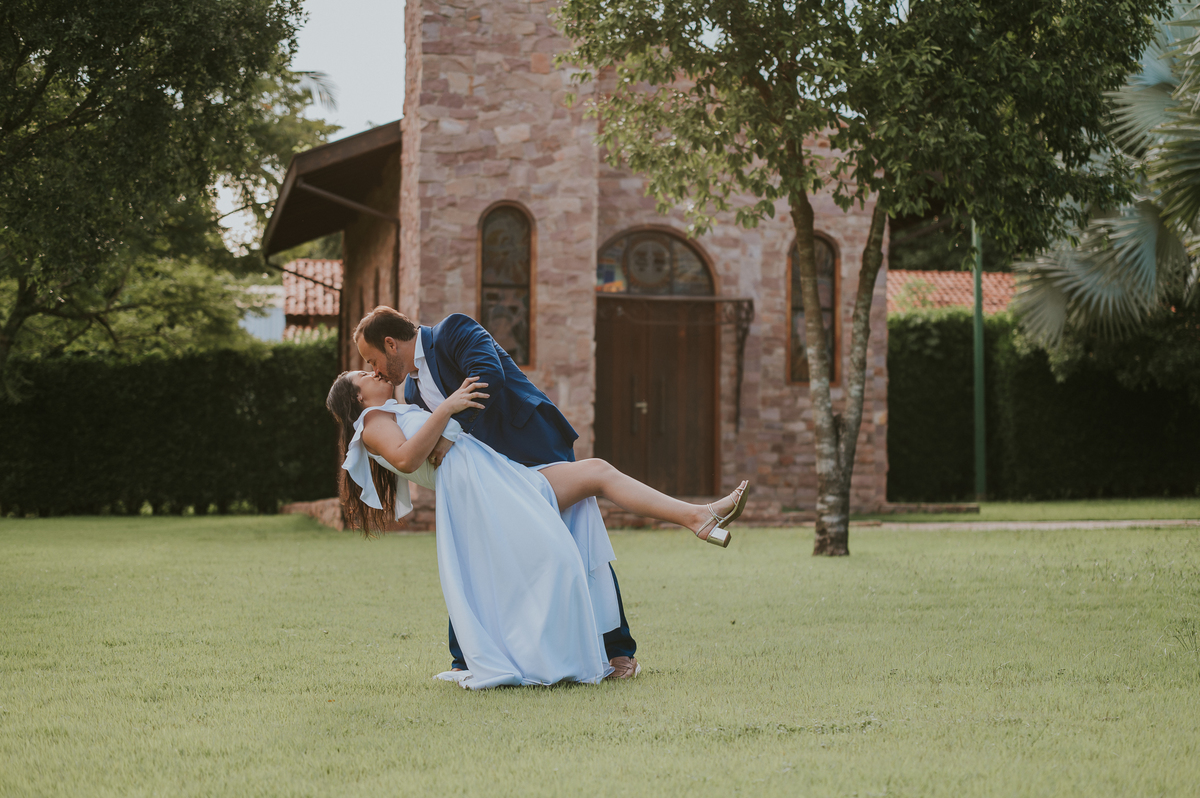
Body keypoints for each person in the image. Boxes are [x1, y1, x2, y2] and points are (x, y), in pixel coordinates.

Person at [325, 369, 749, 689]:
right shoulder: (373, 421)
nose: (374, 370)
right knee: (560, 554)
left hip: (499, 478)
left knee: (597, 472)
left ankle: (697, 516)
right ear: (358, 396)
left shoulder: (398, 408)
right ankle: (553, 657)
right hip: (484, 493)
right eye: (363, 372)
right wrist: (448, 408)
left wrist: (441, 416)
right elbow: (404, 460)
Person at [354, 307, 677, 679]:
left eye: (372, 359)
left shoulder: (452, 331)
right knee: (480, 557)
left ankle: (618, 652)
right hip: (497, 480)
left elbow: (488, 374)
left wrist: (448, 434)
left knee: (578, 541)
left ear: (391, 344)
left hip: (535, 448)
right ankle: (471, 656)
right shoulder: (412, 389)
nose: (374, 369)